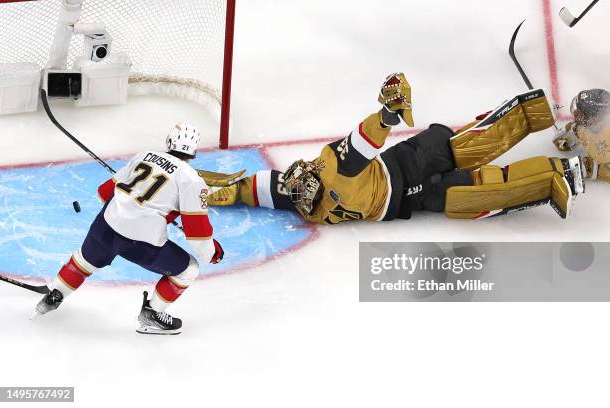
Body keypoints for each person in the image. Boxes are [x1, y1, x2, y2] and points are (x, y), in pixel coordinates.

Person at [206, 73, 585, 223]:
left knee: (468, 145)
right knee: (472, 195)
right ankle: (556, 178)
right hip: (406, 200)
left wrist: (388, 113)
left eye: (302, 192)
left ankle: (535, 111)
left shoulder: (334, 166)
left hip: (405, 162)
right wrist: (226, 191)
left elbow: (363, 139)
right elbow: (258, 188)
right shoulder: (300, 197)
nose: (302, 201)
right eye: (301, 198)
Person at [34, 122, 224, 335]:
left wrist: (133, 192)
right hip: (141, 242)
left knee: (83, 262)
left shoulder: (144, 156)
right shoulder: (192, 180)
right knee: (189, 269)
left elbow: (103, 193)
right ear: (194, 151)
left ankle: (52, 297)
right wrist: (212, 253)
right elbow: (197, 236)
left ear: (169, 141)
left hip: (105, 226)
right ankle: (151, 313)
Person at [553, 88, 610, 183]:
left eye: (580, 113)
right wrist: (570, 136)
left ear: (593, 118)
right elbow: (560, 144)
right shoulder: (583, 127)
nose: (575, 114)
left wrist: (595, 169)